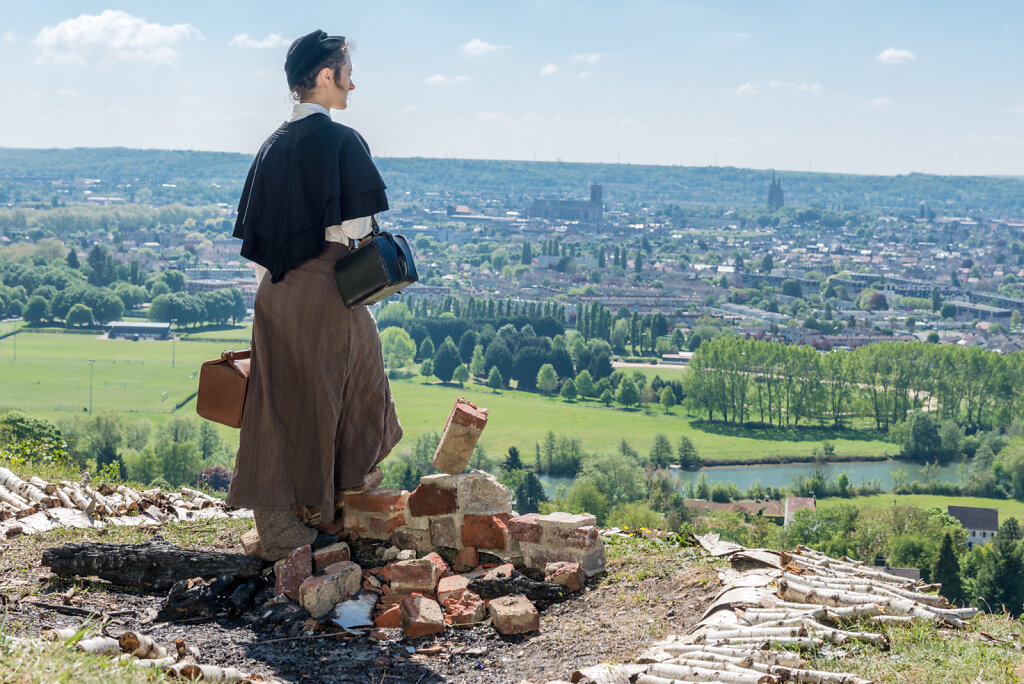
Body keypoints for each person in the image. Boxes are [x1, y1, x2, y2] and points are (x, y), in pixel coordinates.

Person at [226, 30, 403, 561]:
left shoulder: (272, 144)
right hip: (328, 286)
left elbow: (258, 237)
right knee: (358, 387)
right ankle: (329, 507)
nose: (354, 81)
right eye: (348, 71)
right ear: (327, 76)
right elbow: (355, 225)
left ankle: (283, 525)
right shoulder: (342, 141)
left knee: (278, 401)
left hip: (276, 291)